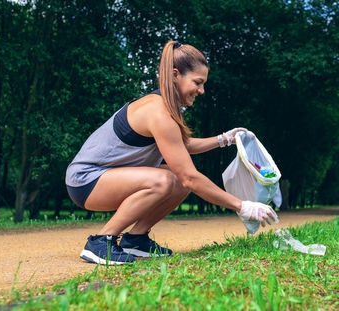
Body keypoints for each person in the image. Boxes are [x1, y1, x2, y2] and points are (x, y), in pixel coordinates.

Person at [65, 40, 279, 265]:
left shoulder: (167, 107)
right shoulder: (158, 112)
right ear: (176, 74)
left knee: (175, 179)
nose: (201, 90)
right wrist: (242, 205)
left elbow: (182, 147)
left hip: (108, 177)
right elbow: (190, 177)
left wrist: (224, 139)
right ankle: (100, 242)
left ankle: (135, 239)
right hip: (86, 181)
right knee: (169, 179)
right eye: (198, 82)